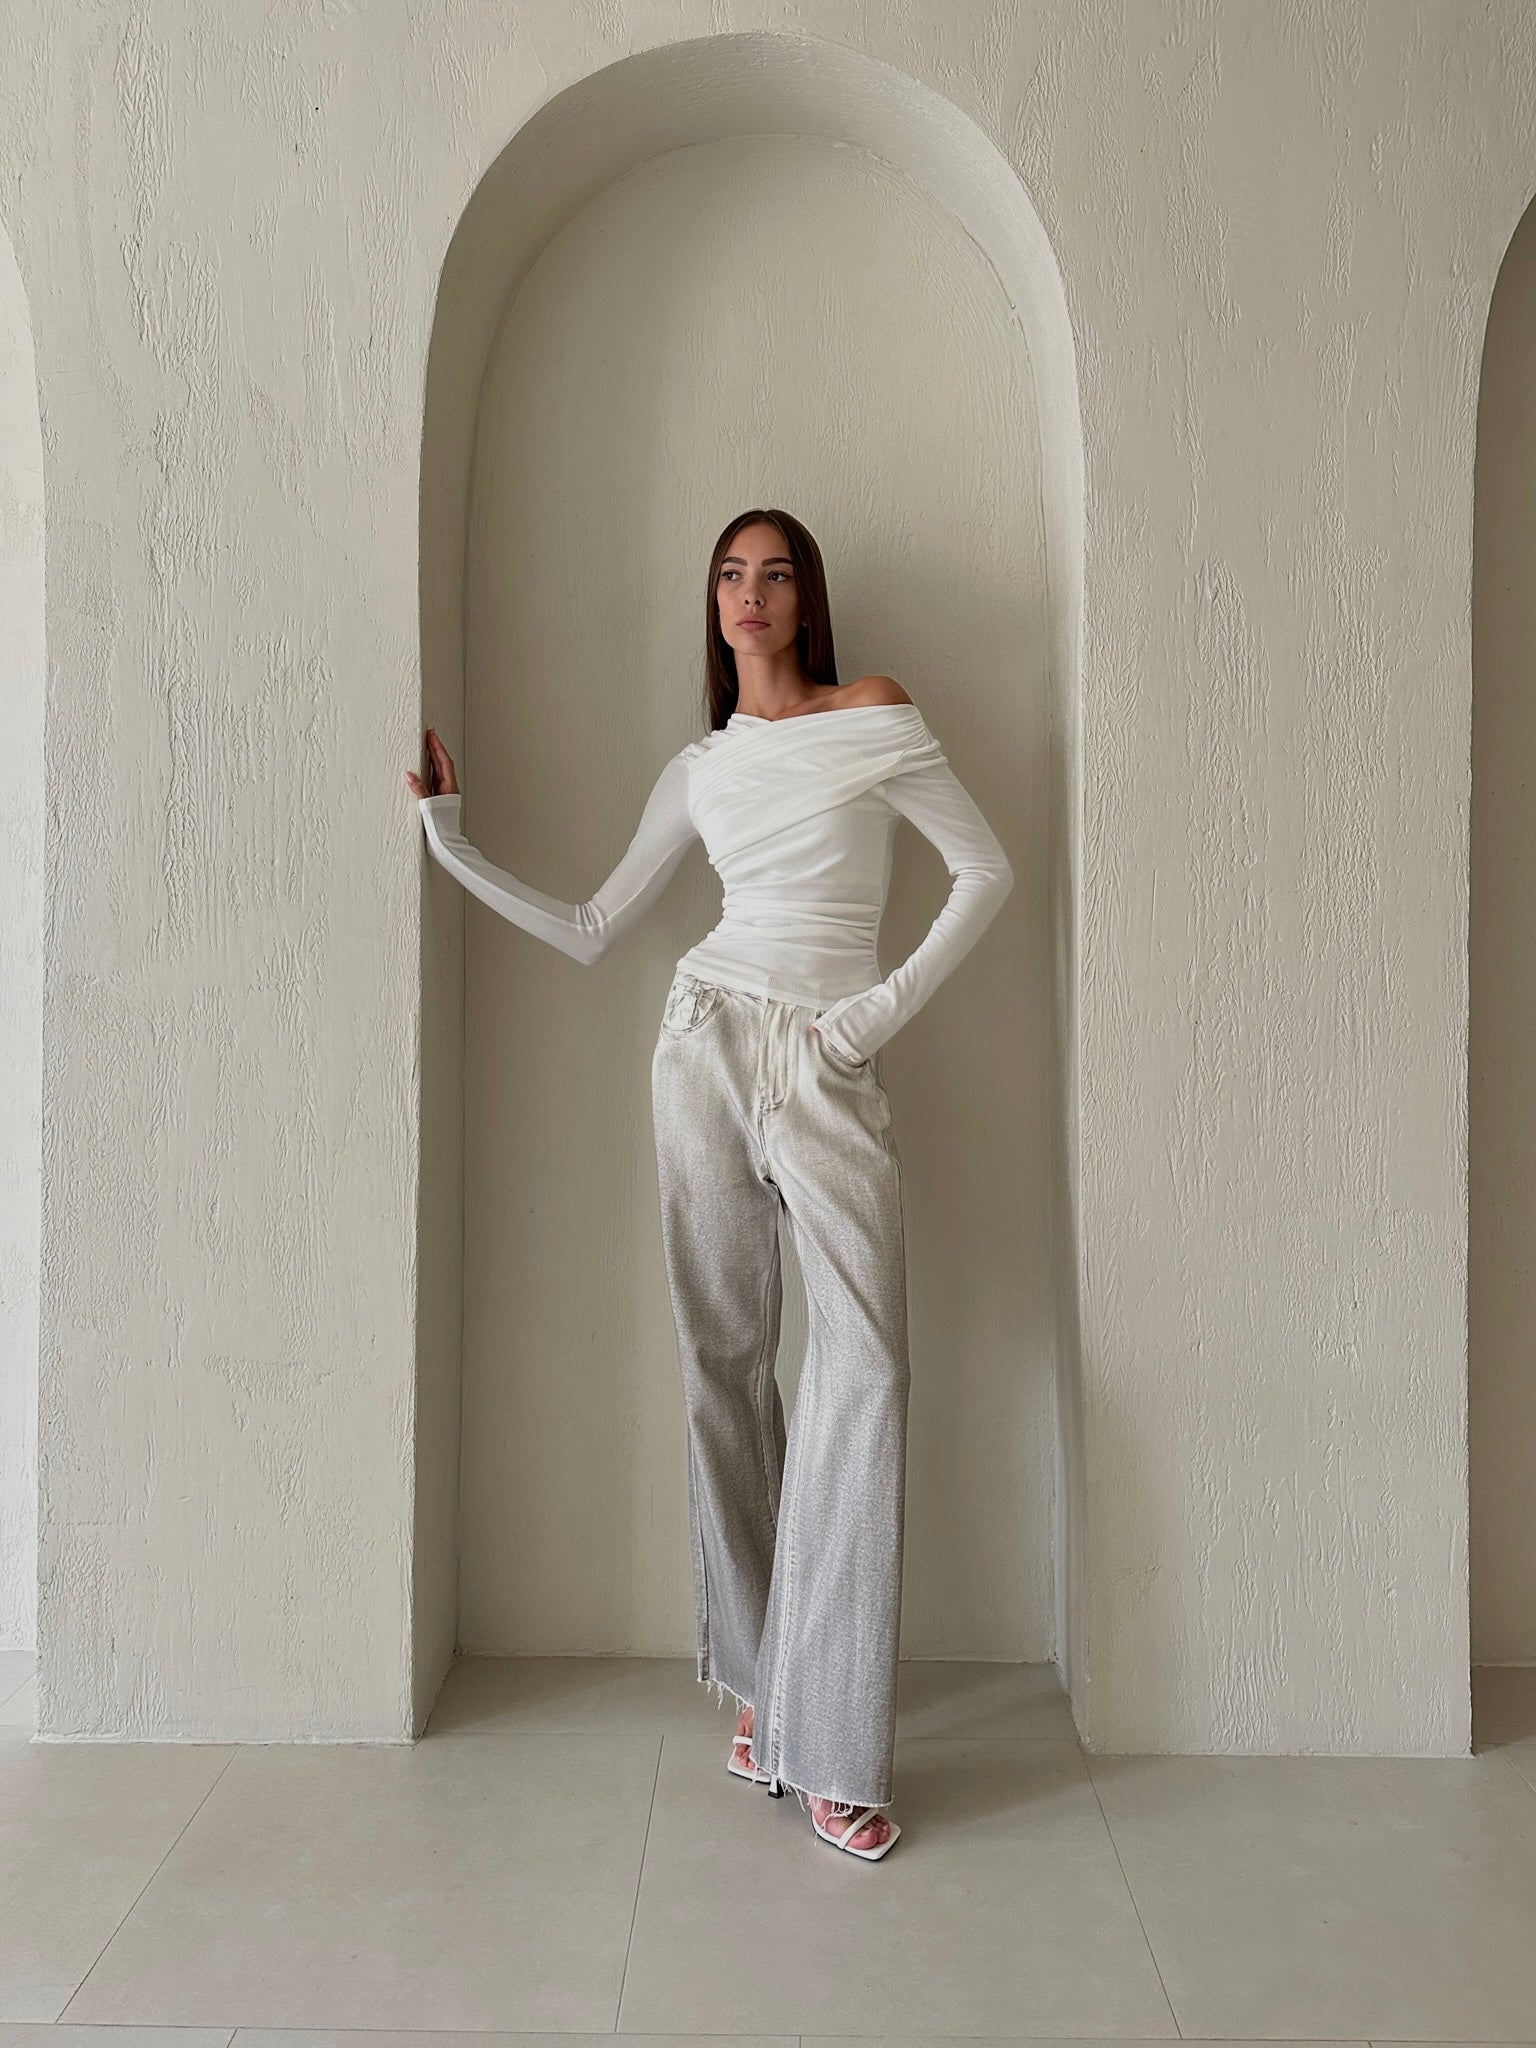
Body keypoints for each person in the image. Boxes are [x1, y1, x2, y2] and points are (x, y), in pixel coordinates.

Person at [405, 508, 1013, 1861]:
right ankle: (760, 1691)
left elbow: (986, 871)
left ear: (808, 599)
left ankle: (837, 1746)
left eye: (775, 573)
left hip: (827, 1054)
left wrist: (867, 1022)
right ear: (712, 604)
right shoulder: (698, 768)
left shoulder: (876, 713)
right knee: (722, 1364)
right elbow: (592, 927)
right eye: (730, 575)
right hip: (699, 1043)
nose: (751, 594)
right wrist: (451, 841)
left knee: (870, 1371)